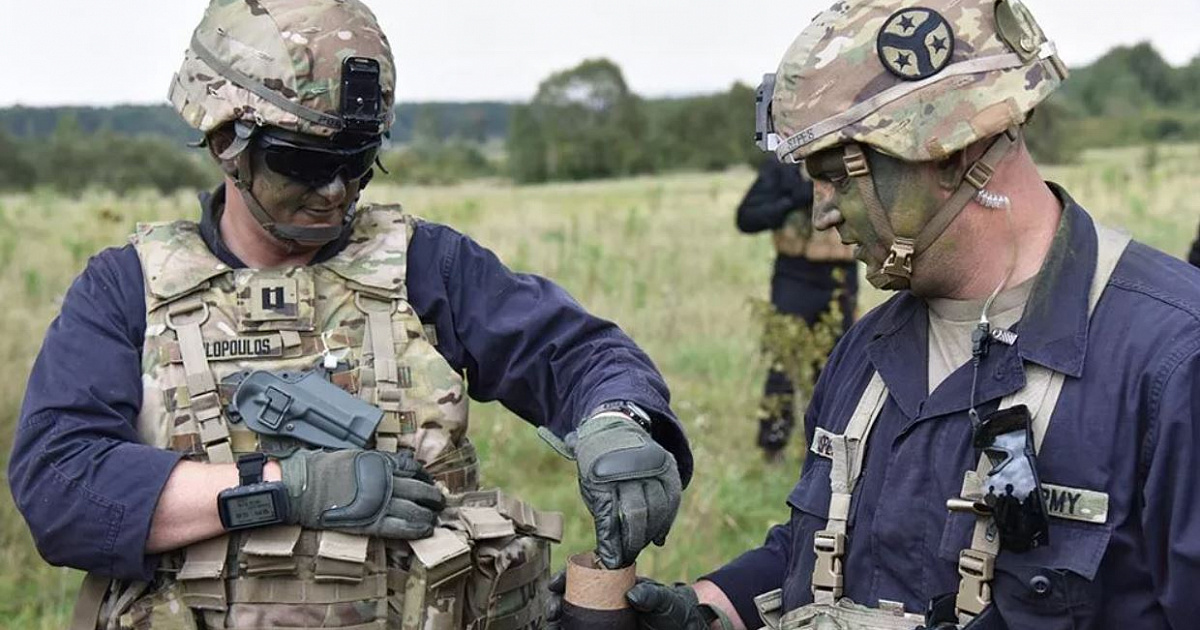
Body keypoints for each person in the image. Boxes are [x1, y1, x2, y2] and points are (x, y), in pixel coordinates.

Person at [7, 1, 689, 628]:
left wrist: (616, 425)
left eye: (357, 162)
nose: (334, 192)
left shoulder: (425, 265)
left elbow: (577, 355)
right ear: (225, 141)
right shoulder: (126, 288)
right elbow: (60, 483)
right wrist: (281, 487)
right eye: (301, 162)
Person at [547, 0, 1200, 628]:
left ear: (947, 152)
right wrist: (714, 609)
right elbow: (821, 553)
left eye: (839, 174)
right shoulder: (868, 353)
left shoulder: (1171, 361)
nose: (824, 210)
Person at [735, 155, 857, 461]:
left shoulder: (851, 162)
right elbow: (747, 218)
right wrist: (793, 200)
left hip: (839, 278)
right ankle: (773, 445)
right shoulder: (784, 171)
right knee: (783, 365)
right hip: (794, 275)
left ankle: (825, 447)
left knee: (834, 366)